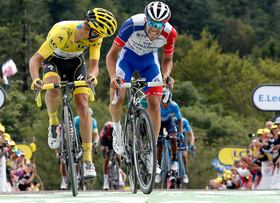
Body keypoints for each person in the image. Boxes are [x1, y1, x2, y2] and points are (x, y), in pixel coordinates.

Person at [29, 8, 117, 179]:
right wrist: (34, 79)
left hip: (76, 63)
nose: (100, 38)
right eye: (98, 34)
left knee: (83, 104)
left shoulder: (95, 37)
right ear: (90, 28)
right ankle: (53, 122)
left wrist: (92, 76)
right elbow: (35, 60)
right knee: (52, 88)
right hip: (53, 61)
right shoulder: (62, 33)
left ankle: (87, 158)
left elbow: (93, 64)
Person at [106, 1, 177, 156]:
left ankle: (151, 152)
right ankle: (117, 129)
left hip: (149, 62)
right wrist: (113, 77)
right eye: (151, 23)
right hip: (127, 60)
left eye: (158, 25)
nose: (154, 28)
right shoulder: (132, 24)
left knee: (155, 104)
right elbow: (111, 55)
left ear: (164, 24)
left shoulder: (170, 33)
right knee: (118, 97)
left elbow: (167, 60)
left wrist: (166, 75)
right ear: (146, 19)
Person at [59, 108, 99, 190]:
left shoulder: (92, 121)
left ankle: (87, 164)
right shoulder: (76, 120)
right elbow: (68, 134)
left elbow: (96, 135)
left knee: (89, 149)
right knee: (72, 156)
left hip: (84, 137)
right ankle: (67, 177)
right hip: (74, 135)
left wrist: (95, 143)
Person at [156, 93, 183, 183]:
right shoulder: (157, 104)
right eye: (163, 103)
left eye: (167, 103)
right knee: (159, 146)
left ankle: (174, 159)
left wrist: (180, 132)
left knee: (173, 138)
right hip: (158, 121)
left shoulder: (174, 106)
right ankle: (158, 166)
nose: (165, 105)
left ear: (170, 101)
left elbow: (179, 120)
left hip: (169, 121)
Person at [172, 116, 196, 184]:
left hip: (182, 140)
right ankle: (171, 171)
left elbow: (191, 135)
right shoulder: (172, 121)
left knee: (184, 156)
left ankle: (184, 173)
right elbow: (165, 130)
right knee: (172, 154)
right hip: (173, 139)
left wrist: (191, 144)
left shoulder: (185, 122)